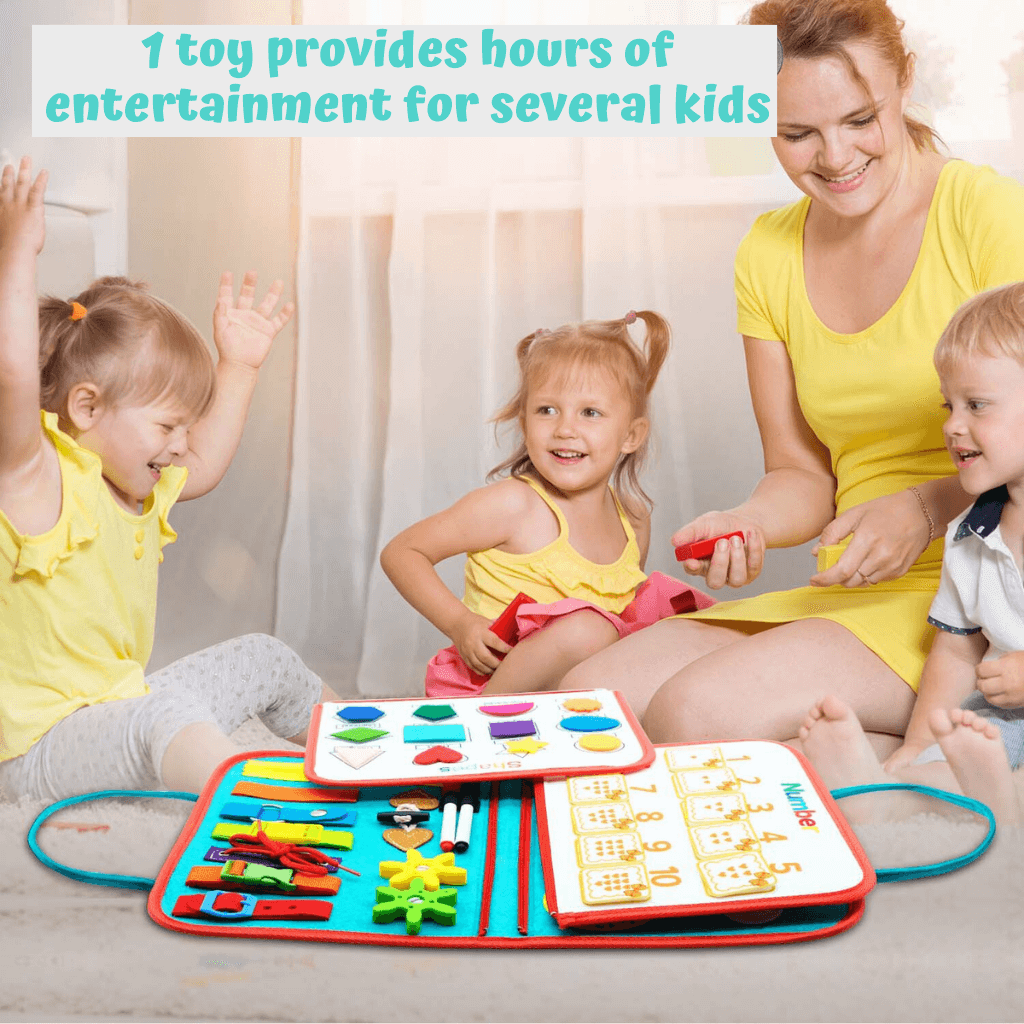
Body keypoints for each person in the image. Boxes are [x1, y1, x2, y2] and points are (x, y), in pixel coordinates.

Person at [561, 0, 1024, 754]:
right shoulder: (767, 254)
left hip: (976, 594)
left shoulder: (987, 212)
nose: (834, 157)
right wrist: (751, 521)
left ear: (904, 82)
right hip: (853, 584)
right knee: (583, 704)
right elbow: (800, 472)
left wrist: (920, 508)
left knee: (695, 712)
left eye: (859, 119)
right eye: (797, 133)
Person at [0, 156, 337, 802]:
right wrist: (17, 250)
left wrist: (238, 366)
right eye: (168, 427)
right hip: (38, 749)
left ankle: (370, 748)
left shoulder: (138, 488)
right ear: (87, 408)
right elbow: (13, 377)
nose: (183, 445)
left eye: (186, 427)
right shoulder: (37, 480)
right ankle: (256, 811)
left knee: (264, 655)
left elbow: (205, 461)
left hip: (119, 705)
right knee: (165, 720)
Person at [380, 311, 712, 697]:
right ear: (524, 424)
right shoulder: (514, 505)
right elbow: (402, 552)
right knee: (588, 629)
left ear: (631, 435)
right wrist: (461, 623)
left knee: (688, 626)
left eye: (590, 413)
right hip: (493, 686)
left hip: (575, 697)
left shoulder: (633, 520)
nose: (565, 429)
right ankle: (484, 721)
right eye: (547, 410)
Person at [800, 284, 1024, 825]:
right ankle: (887, 786)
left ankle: (993, 801)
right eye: (950, 405)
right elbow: (956, 653)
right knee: (941, 761)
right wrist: (917, 742)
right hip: (1004, 721)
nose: (951, 425)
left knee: (976, 764)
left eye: (977, 405)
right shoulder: (970, 535)